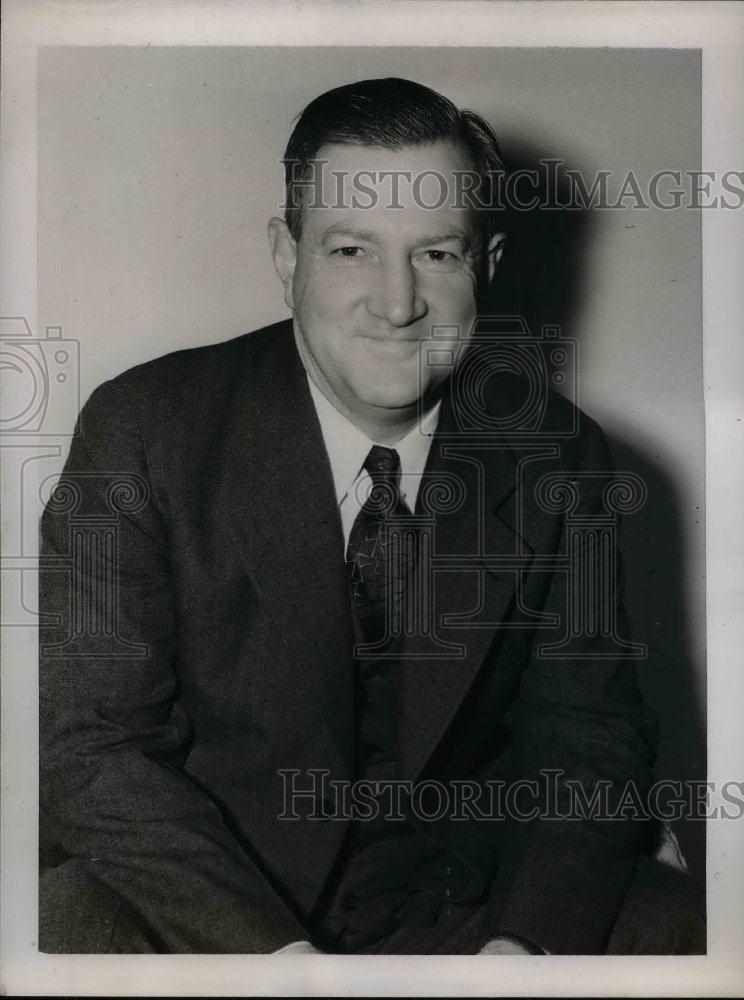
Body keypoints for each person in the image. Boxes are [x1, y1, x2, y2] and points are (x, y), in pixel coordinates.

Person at [38, 77, 705, 955]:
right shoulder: (144, 429)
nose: (399, 305)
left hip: (461, 902)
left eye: (438, 254)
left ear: (489, 264)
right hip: (209, 901)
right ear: (287, 253)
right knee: (65, 925)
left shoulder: (559, 453)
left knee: (684, 929)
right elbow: (96, 748)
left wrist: (523, 951)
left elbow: (590, 737)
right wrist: (274, 962)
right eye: (352, 250)